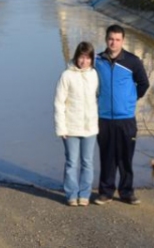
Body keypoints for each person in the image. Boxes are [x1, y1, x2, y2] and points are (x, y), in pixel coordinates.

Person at [94, 24, 150, 206]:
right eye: (111, 39)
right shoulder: (98, 61)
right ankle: (105, 192)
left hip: (125, 119)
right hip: (104, 119)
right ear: (106, 39)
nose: (114, 42)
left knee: (126, 157)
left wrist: (130, 100)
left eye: (117, 40)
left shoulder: (132, 61)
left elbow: (143, 83)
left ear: (123, 41)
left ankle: (127, 192)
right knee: (107, 157)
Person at [53, 41, 99, 207]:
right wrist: (61, 128)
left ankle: (84, 194)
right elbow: (59, 102)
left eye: (88, 58)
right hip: (71, 127)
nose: (84, 61)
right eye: (81, 57)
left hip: (90, 127)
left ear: (92, 59)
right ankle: (72, 194)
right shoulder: (66, 75)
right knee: (72, 162)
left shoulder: (94, 74)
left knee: (87, 162)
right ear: (76, 57)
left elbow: (98, 97)